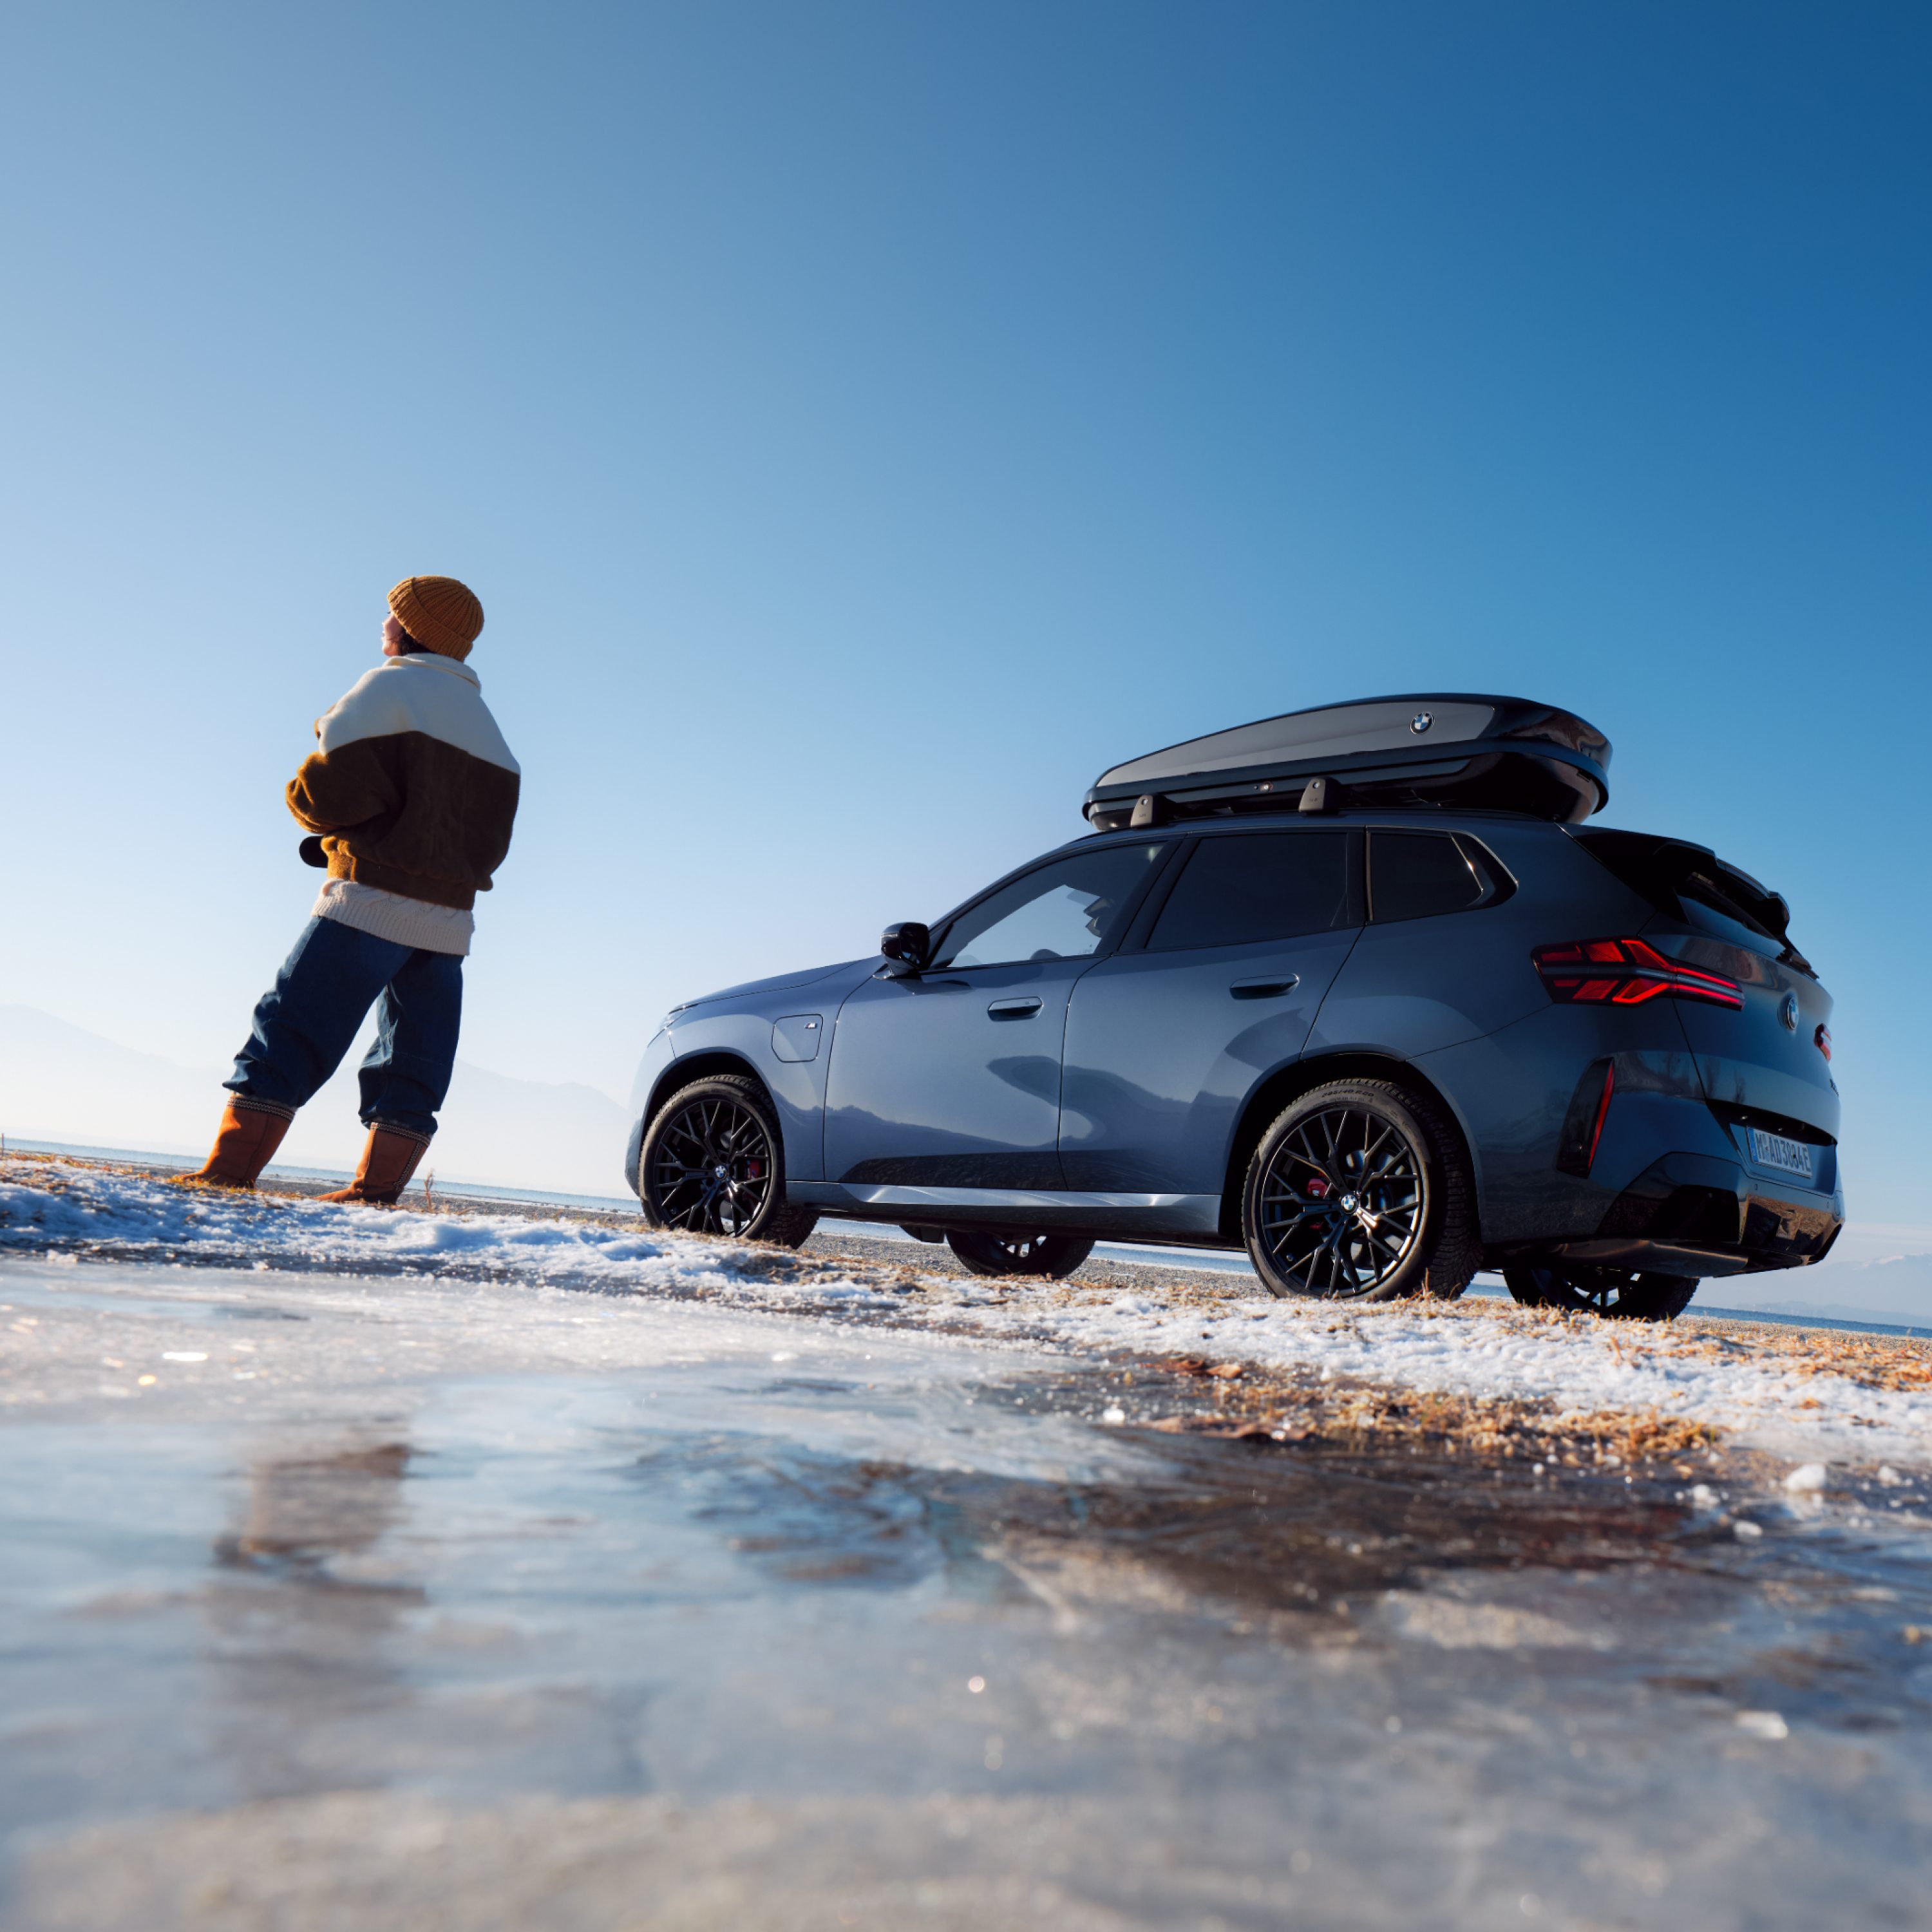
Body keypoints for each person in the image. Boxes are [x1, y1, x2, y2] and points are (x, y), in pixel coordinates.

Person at [180, 574, 519, 1204]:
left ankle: (228, 1174)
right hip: (448, 921)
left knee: (290, 1028)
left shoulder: (390, 688)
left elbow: (327, 794)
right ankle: (375, 1191)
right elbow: (490, 840)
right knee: (414, 1059)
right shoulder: (488, 726)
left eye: (391, 615)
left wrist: (315, 817)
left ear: (413, 628)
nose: (383, 625)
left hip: (367, 902)